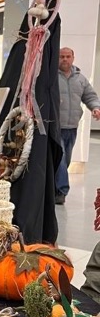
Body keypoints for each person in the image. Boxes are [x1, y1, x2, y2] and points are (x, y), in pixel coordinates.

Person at [56, 47, 100, 204]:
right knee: (60, 158)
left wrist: (95, 108)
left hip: (72, 127)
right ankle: (61, 191)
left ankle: (55, 187)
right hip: (56, 127)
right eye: (62, 56)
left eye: (68, 56)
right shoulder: (52, 78)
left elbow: (90, 96)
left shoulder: (80, 79)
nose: (65, 59)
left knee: (66, 160)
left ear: (73, 58)